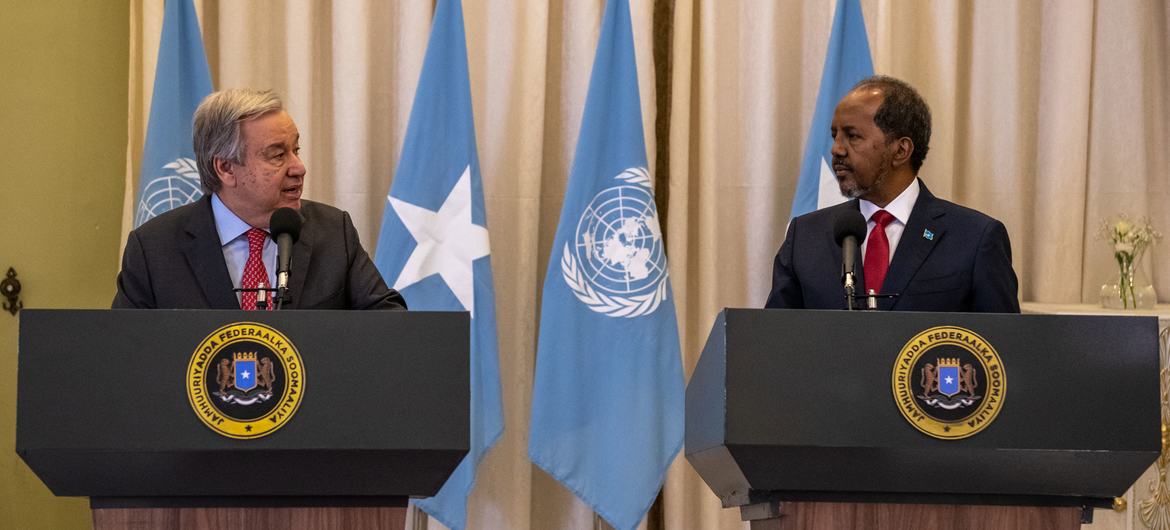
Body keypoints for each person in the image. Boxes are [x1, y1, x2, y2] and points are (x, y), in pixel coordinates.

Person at [113, 88, 406, 310]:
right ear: (226, 168)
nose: (299, 168)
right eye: (278, 155)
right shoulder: (154, 248)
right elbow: (127, 351)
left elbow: (387, 321)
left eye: (296, 150)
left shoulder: (333, 231)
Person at [765, 75, 1018, 312]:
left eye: (852, 136)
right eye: (835, 136)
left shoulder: (974, 238)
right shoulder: (805, 236)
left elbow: (1003, 347)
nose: (836, 150)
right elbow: (775, 342)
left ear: (901, 150)